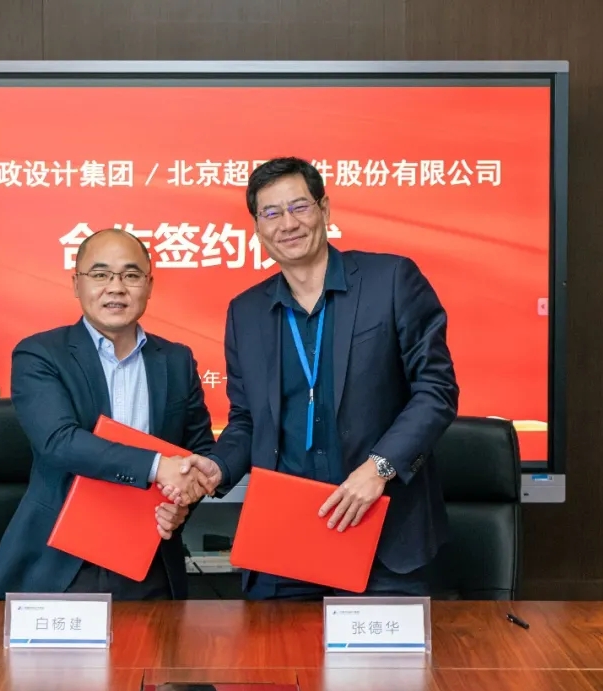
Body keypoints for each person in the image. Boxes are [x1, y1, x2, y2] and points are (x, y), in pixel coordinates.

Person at [171, 156, 459, 600]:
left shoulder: (390, 280)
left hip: (383, 536)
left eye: (299, 207)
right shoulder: (246, 312)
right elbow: (247, 420)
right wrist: (219, 465)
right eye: (271, 213)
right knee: (276, 648)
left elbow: (436, 391)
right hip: (285, 542)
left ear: (324, 210)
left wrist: (379, 468)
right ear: (257, 228)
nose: (287, 223)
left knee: (384, 650)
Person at [0, 228, 213, 601]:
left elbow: (200, 452)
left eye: (131, 275)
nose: (116, 288)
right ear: (77, 284)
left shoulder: (176, 360)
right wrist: (157, 466)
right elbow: (59, 442)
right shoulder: (40, 354)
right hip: (62, 562)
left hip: (149, 559)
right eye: (101, 274)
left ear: (149, 286)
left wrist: (181, 504)